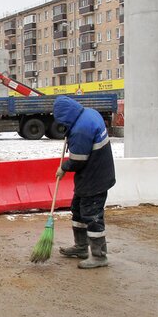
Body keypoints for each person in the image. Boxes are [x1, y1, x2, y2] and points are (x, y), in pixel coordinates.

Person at [52, 96, 116, 268]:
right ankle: (81, 247)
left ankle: (99, 256)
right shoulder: (88, 113)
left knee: (92, 215)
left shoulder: (81, 129)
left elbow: (79, 159)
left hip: (95, 178)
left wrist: (63, 168)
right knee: (78, 210)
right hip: (90, 175)